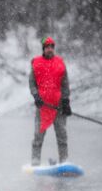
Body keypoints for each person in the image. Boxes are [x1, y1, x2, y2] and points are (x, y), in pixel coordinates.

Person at [29, 37, 72, 165]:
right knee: (38, 136)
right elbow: (32, 83)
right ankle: (35, 162)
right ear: (43, 49)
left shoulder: (60, 63)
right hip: (43, 107)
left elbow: (65, 83)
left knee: (62, 136)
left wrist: (66, 101)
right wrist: (36, 96)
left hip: (59, 107)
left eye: (52, 47)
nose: (50, 49)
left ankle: (64, 160)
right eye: (47, 47)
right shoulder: (36, 63)